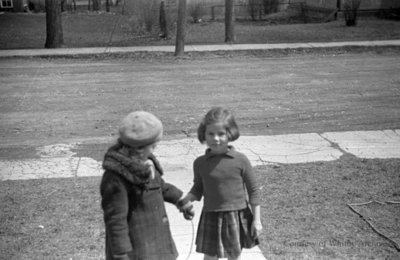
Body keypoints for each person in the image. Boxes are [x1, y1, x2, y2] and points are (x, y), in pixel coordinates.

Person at [100, 111, 194, 260]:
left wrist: (180, 199)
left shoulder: (146, 163)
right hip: (136, 248)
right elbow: (115, 218)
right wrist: (120, 253)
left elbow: (159, 187)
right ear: (139, 148)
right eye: (153, 147)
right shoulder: (116, 178)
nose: (154, 151)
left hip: (157, 240)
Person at [179, 107, 263, 260]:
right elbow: (198, 188)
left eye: (221, 134)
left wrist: (257, 221)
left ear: (230, 134)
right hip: (211, 215)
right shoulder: (200, 163)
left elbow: (254, 191)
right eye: (210, 133)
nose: (216, 138)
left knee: (233, 256)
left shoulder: (240, 160)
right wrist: (185, 200)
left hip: (235, 215)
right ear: (203, 134)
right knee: (209, 257)